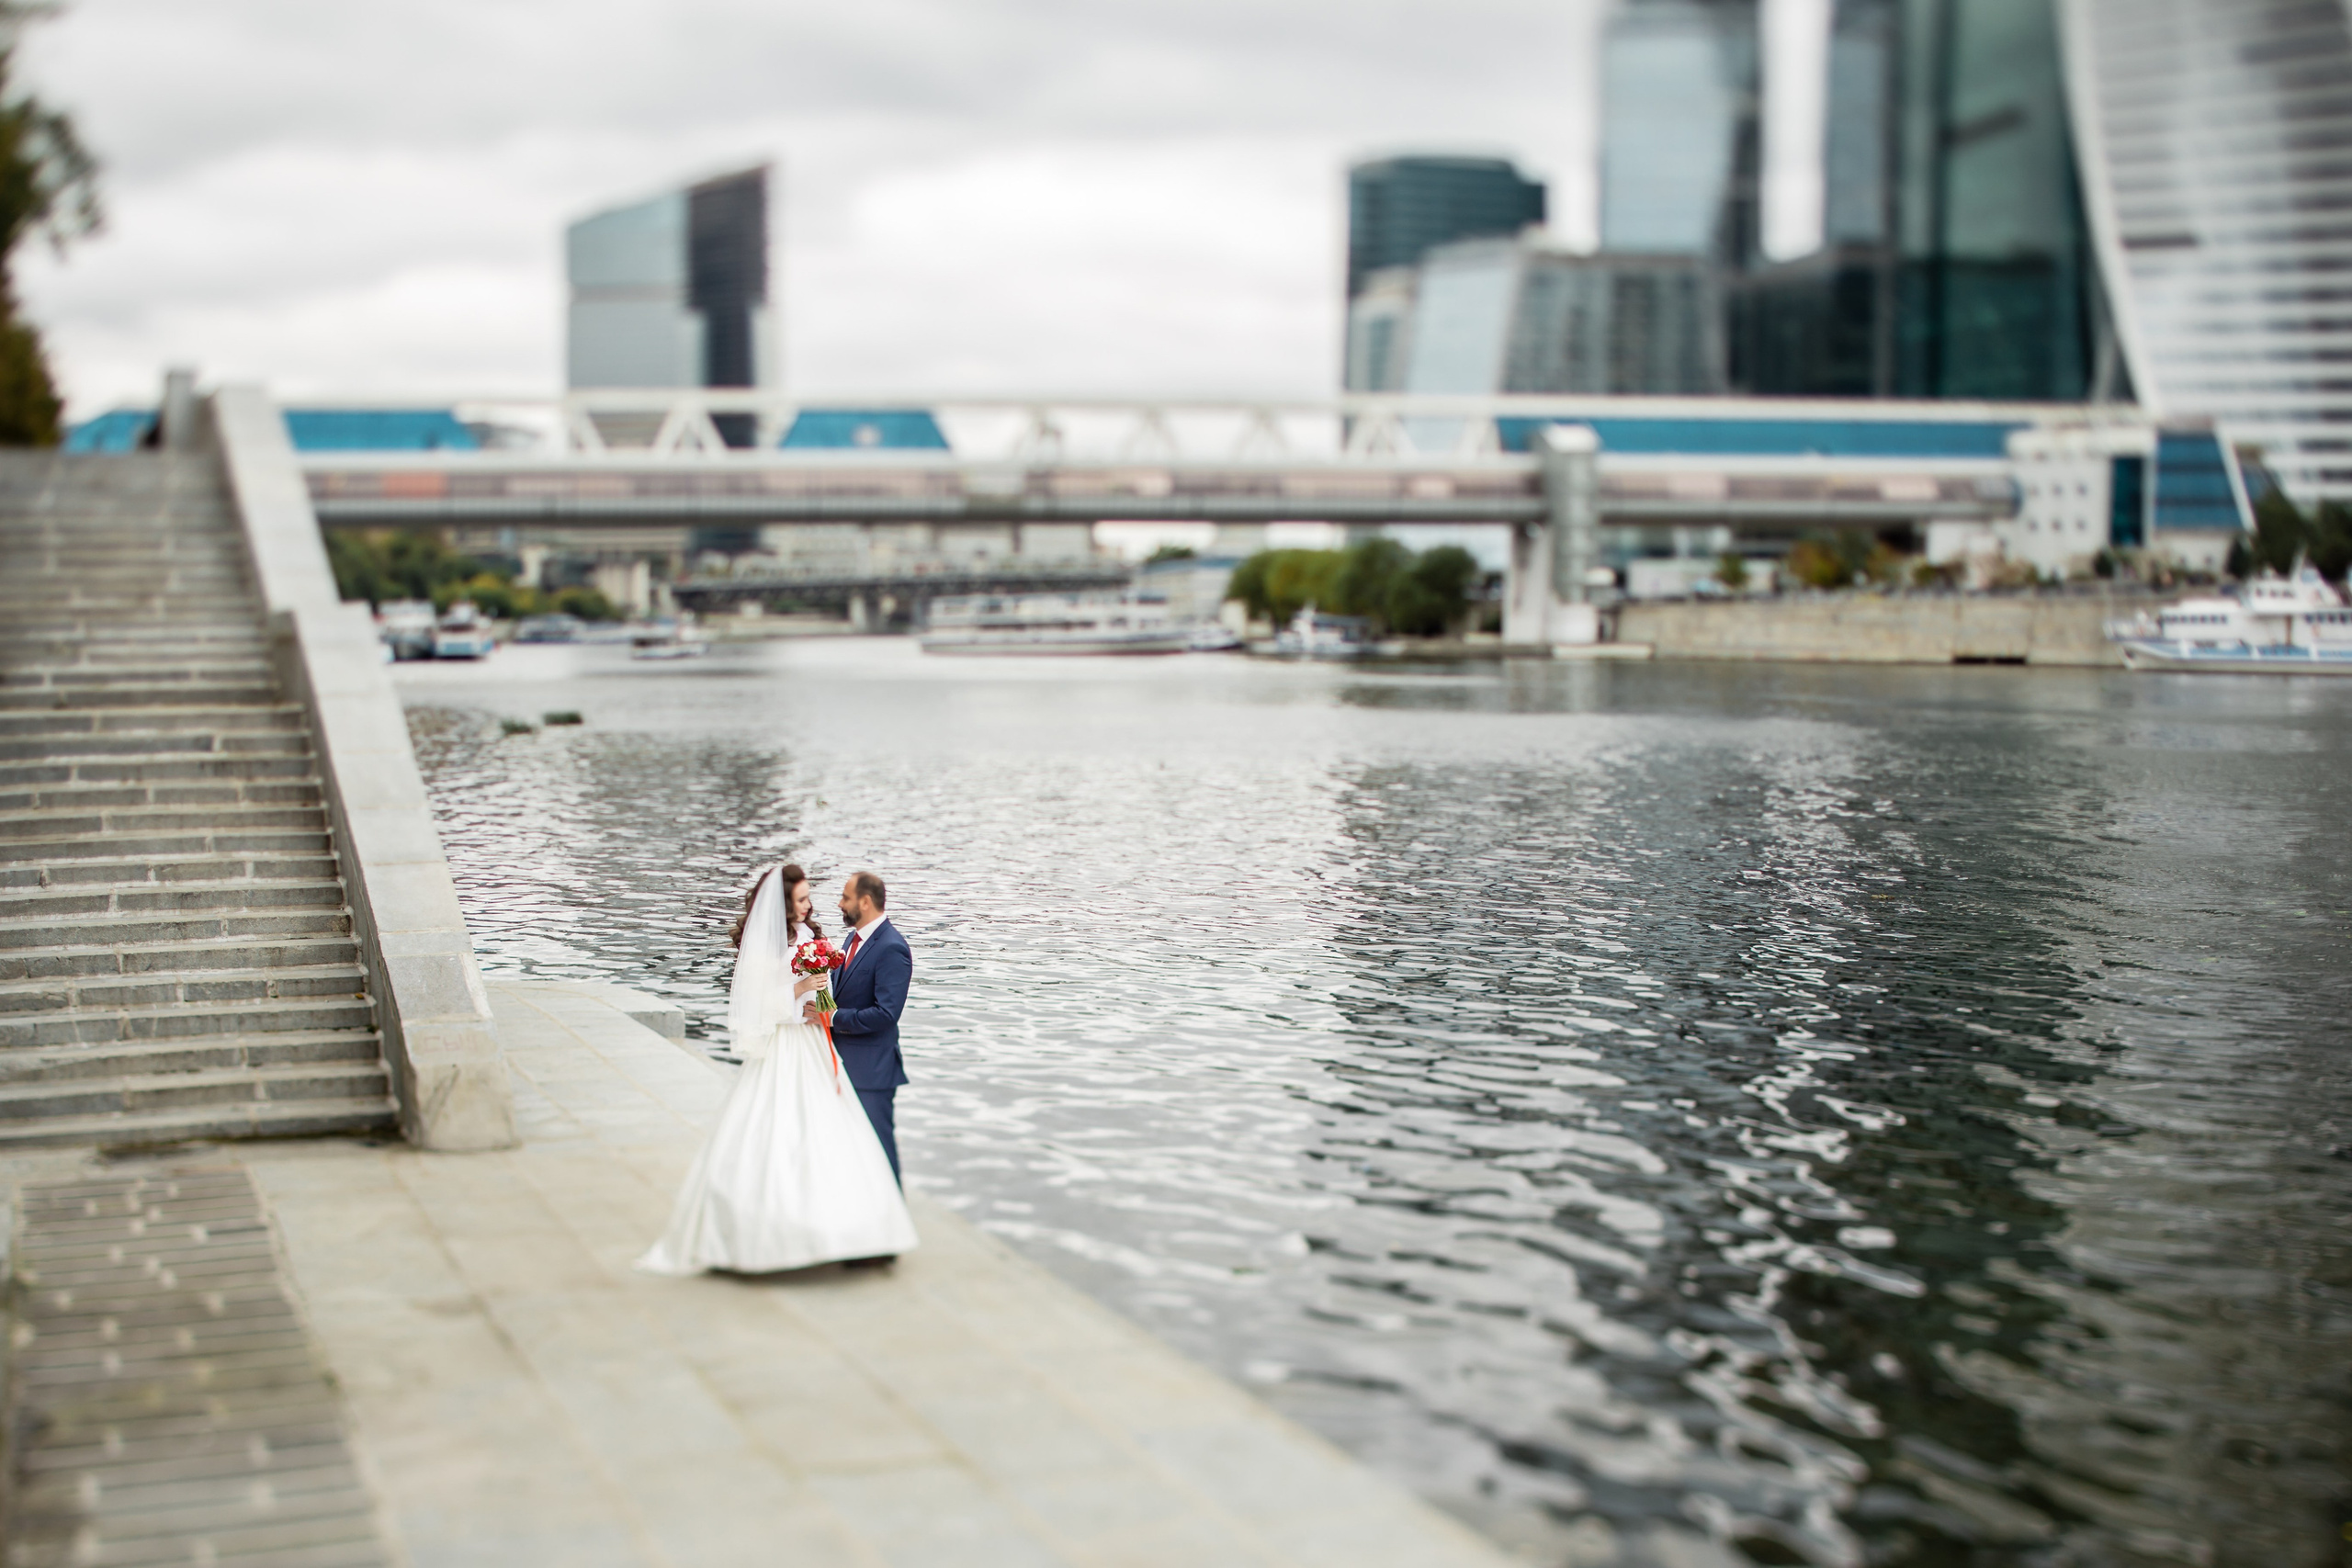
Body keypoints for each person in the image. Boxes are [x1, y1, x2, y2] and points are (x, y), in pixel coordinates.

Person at [636, 863, 917, 1275]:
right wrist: (802, 993)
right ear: (784, 904)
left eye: (814, 898)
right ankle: (759, 1235)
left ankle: (866, 1231)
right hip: (786, 1046)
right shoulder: (769, 943)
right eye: (803, 899)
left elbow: (838, 1002)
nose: (813, 905)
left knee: (837, 1138)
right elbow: (758, 1005)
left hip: (819, 1048)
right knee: (774, 1132)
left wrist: (823, 1011)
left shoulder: (815, 938)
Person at [809, 871, 912, 1186]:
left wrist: (834, 1018)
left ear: (865, 902)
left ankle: (894, 1212)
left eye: (845, 897)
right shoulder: (853, 938)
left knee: (879, 1149)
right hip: (841, 1063)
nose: (840, 903)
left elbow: (885, 1014)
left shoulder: (892, 948)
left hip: (871, 1071)